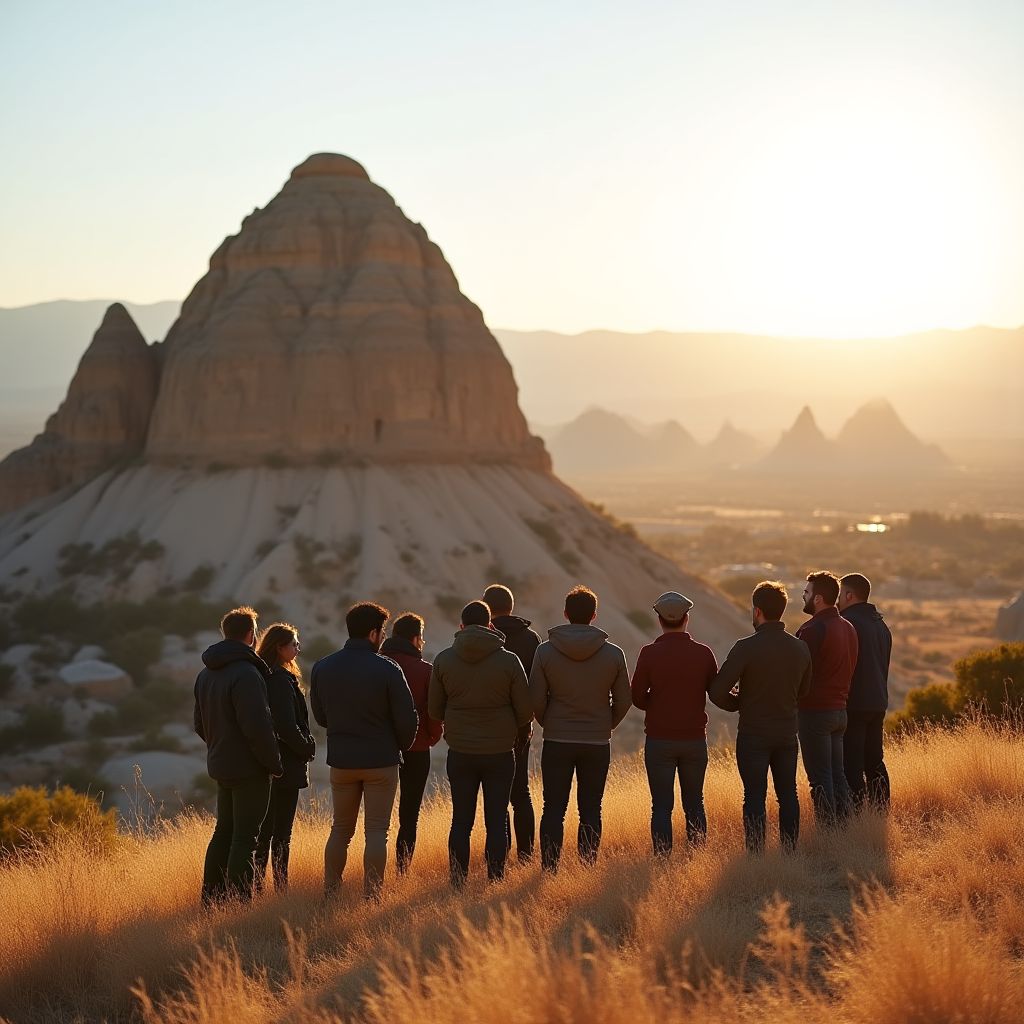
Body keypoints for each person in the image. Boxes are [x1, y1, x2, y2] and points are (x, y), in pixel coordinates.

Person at [310, 602, 418, 900]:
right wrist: (401, 746)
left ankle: (330, 893)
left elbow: (320, 717)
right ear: (373, 633)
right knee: (376, 831)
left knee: (341, 830)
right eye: (382, 632)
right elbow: (407, 718)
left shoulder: (323, 666)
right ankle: (372, 896)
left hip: (342, 760)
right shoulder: (387, 668)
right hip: (381, 761)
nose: (383, 637)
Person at [428, 599, 532, 887]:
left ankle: (458, 881)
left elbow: (435, 710)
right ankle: (496, 879)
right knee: (496, 818)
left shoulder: (444, 659)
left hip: (461, 751)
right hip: (500, 751)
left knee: (461, 820)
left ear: (461, 626)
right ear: (490, 625)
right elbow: (525, 711)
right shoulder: (509, 660)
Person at [529, 585, 631, 872]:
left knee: (553, 809)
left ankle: (550, 869)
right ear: (594, 616)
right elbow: (625, 699)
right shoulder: (613, 654)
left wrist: (549, 721)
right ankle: (586, 867)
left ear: (565, 614)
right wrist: (605, 724)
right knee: (591, 809)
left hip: (557, 740)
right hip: (597, 742)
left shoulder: (545, 651)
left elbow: (535, 697)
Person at [708, 582, 812, 853]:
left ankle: (756, 856)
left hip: (753, 733)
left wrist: (739, 703)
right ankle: (790, 853)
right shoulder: (800, 648)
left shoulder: (746, 648)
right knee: (787, 793)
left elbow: (717, 691)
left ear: (757, 611)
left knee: (754, 796)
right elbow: (805, 691)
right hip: (787, 733)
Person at [194, 605, 282, 906]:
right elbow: (257, 726)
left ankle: (211, 899)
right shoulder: (247, 673)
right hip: (249, 769)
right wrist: (274, 763)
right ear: (251, 635)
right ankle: (239, 904)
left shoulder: (206, 673)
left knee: (224, 832)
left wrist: (220, 745)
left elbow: (199, 723)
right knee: (246, 837)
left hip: (221, 764)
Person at [631, 592, 718, 853]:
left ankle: (662, 860)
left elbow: (636, 697)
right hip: (694, 739)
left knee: (661, 806)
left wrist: (655, 704)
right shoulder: (703, 653)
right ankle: (697, 856)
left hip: (659, 740)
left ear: (659, 620)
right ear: (686, 618)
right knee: (695, 803)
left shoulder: (649, 653)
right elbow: (715, 691)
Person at [253, 622, 315, 892]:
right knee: (279, 834)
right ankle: (278, 887)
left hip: (269, 764)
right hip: (285, 765)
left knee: (265, 832)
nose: (298, 648)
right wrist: (307, 747)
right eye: (294, 644)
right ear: (279, 647)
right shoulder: (279, 680)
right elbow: (287, 725)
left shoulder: (266, 675)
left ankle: (257, 886)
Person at [483, 582, 542, 863]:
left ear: (486, 608)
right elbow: (538, 684)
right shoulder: (531, 639)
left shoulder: (482, 637)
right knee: (521, 791)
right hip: (521, 725)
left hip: (489, 725)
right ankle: (527, 854)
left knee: (496, 793)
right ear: (511, 607)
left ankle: (500, 852)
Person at [380, 612, 443, 873]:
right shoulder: (425, 670)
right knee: (409, 813)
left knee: (377, 817)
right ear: (417, 638)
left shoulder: (377, 664)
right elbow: (433, 712)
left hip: (379, 750)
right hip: (416, 750)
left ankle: (375, 869)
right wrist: (431, 737)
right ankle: (402, 869)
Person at [796, 570, 859, 827]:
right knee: (837, 774)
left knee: (820, 778)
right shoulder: (848, 627)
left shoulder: (812, 630)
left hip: (815, 712)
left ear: (818, 598)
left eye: (807, 593)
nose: (804, 597)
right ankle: (846, 830)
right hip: (840, 711)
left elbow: (798, 671)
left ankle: (828, 833)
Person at [838, 573, 893, 810]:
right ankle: (881, 811)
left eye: (840, 595)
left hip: (855, 703)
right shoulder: (881, 625)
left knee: (851, 763)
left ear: (850, 595)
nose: (837, 600)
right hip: (878, 702)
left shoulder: (847, 624)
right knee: (874, 761)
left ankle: (857, 816)